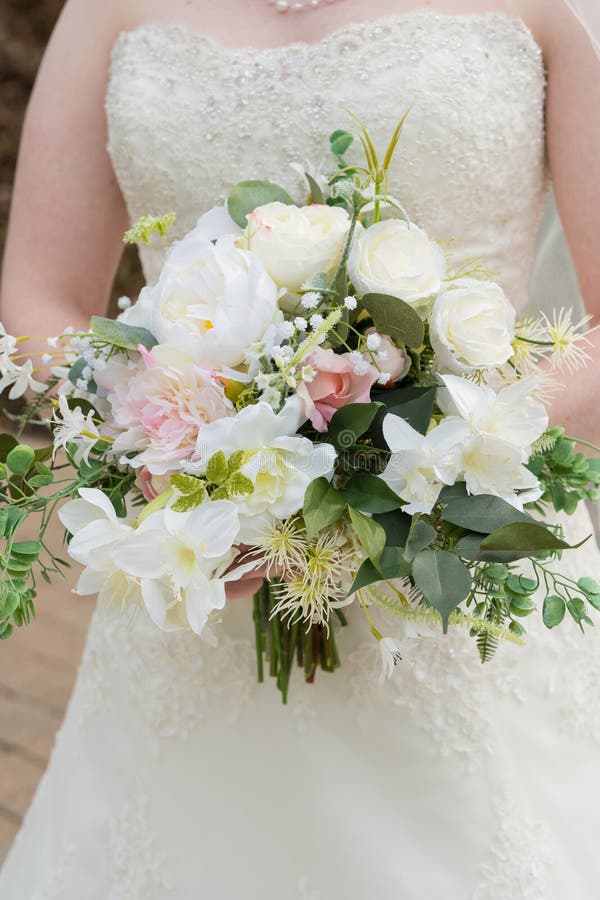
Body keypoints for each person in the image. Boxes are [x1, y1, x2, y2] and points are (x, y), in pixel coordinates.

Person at [0, 1, 599, 897]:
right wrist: (187, 446)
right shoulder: (104, 10)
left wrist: (405, 467)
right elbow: (40, 298)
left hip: (463, 547)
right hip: (199, 559)